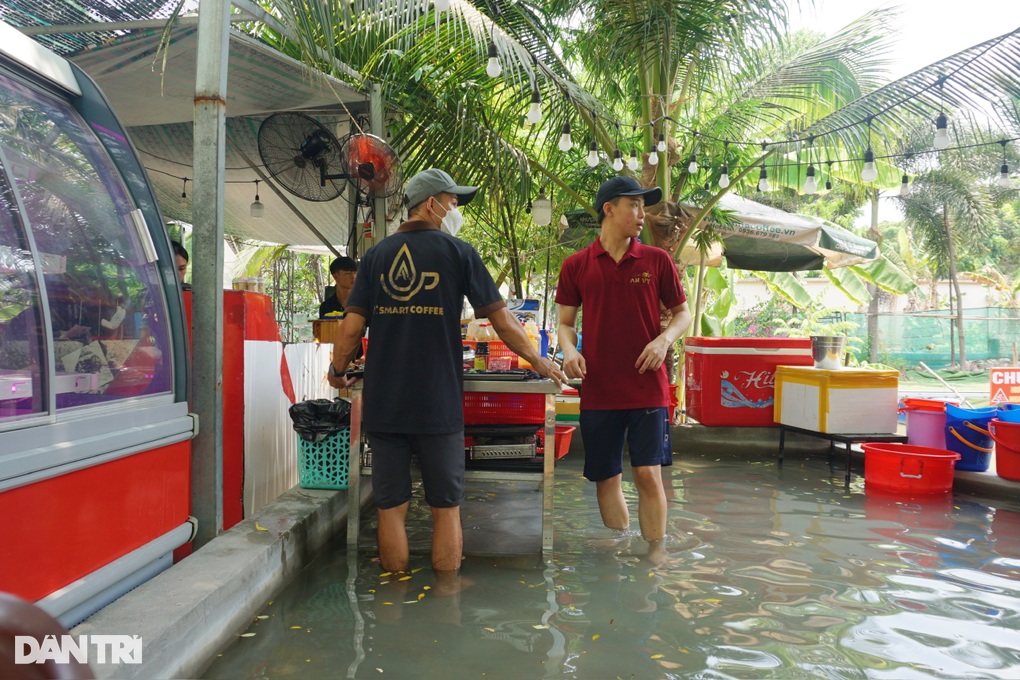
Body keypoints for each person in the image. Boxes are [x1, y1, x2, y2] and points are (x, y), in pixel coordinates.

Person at [326, 168, 566, 576]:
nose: (456, 210)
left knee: (390, 507)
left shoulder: (378, 256)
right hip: (438, 403)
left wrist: (337, 369)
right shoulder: (459, 253)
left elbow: (351, 327)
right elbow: (504, 321)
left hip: (386, 404)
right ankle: (447, 599)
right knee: (446, 508)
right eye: (453, 201)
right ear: (431, 203)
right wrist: (541, 362)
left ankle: (395, 596)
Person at [555, 175, 692, 559]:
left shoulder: (657, 260)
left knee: (648, 473)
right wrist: (568, 351)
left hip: (647, 387)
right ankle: (617, 552)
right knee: (605, 477)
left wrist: (664, 340)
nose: (640, 213)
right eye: (632, 205)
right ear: (609, 209)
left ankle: (655, 556)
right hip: (598, 388)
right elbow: (566, 323)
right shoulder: (576, 265)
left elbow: (682, 313)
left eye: (641, 205)